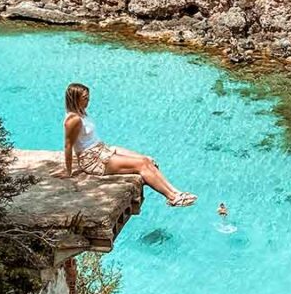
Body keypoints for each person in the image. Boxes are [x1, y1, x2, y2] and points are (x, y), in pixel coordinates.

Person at [57, 82, 196, 207]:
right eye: (85, 98)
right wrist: (68, 172)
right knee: (141, 165)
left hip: (102, 149)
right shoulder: (73, 119)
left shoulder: (82, 112)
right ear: (75, 99)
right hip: (92, 160)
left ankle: (176, 192)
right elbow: (68, 145)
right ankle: (172, 198)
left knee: (147, 160)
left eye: (88, 97)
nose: (88, 100)